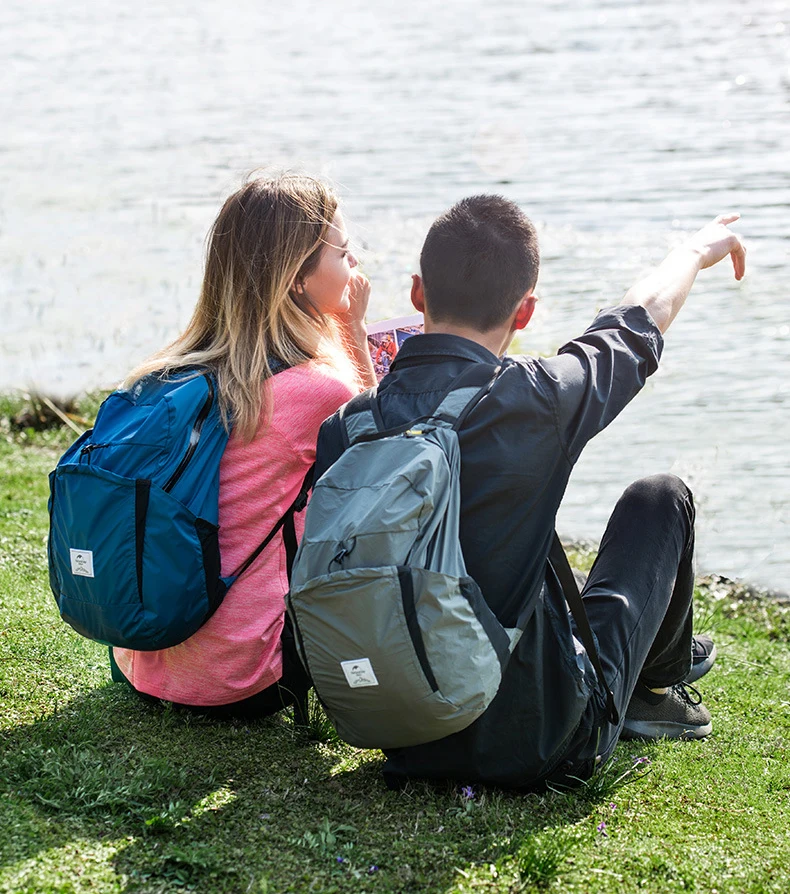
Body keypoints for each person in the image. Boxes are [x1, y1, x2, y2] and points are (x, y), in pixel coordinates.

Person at [314, 196, 746, 790]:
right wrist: (693, 252)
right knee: (659, 497)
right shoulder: (535, 399)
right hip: (539, 739)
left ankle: (650, 677)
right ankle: (655, 684)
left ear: (418, 293)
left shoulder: (347, 426)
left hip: (399, 728)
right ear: (526, 312)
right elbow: (638, 319)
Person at [111, 172, 376, 719]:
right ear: (296, 279)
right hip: (245, 676)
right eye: (344, 254)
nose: (355, 266)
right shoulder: (319, 389)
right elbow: (392, 457)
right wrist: (353, 327)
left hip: (144, 655)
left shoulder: (173, 373)